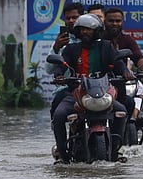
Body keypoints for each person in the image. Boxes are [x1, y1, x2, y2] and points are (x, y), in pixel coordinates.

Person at [51, 13, 132, 163]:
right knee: (59, 115)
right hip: (77, 93)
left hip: (103, 92)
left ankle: (116, 149)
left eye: (89, 29)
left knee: (121, 111)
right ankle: (62, 153)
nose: (85, 32)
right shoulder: (70, 49)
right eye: (82, 30)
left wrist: (126, 72)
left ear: (97, 31)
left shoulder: (106, 46)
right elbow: (60, 65)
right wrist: (59, 75)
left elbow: (118, 62)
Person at [103, 7, 143, 79]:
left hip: (122, 80)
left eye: (118, 21)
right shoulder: (99, 39)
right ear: (104, 21)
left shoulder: (127, 39)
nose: (114, 23)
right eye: (111, 21)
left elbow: (138, 57)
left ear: (122, 22)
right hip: (100, 80)